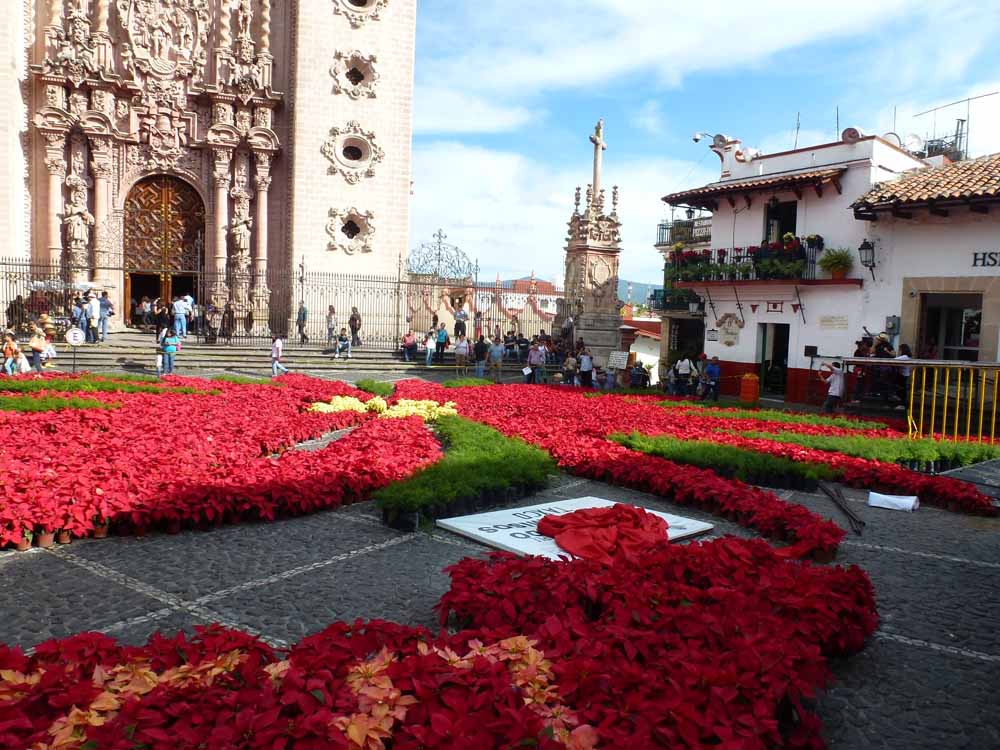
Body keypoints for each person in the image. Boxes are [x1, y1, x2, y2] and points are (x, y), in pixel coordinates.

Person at [895, 343, 913, 408]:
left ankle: (902, 404)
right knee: (902, 389)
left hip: (902, 374)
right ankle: (902, 403)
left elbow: (894, 360)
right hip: (905, 374)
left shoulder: (904, 357)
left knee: (901, 389)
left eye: (900, 349)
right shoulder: (908, 357)